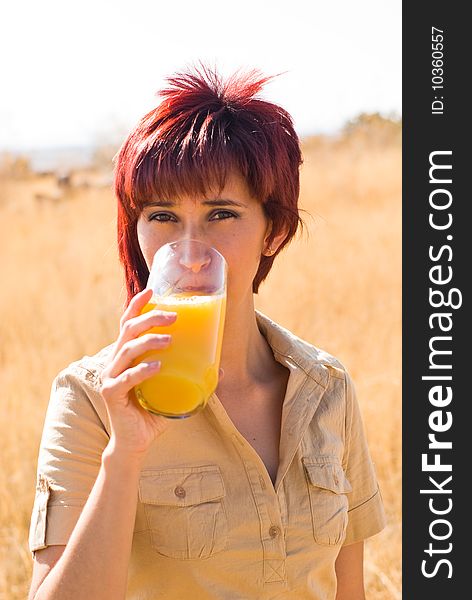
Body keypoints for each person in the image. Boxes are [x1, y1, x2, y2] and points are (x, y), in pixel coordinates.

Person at [28, 64, 386, 600]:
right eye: (163, 216)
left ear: (275, 231)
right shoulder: (90, 397)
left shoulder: (325, 386)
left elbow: (348, 589)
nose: (190, 252)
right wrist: (125, 453)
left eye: (221, 213)